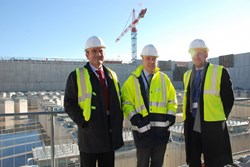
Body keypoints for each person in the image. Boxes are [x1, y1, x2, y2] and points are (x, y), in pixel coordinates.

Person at [64, 36, 124, 167]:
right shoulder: (76, 75)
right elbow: (69, 104)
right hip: (89, 136)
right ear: (87, 54)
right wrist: (83, 122)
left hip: (109, 135)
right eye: (94, 51)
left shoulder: (112, 75)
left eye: (101, 51)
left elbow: (118, 100)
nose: (98, 54)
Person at [121, 44, 178, 167]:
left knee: (158, 164)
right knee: (142, 164)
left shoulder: (164, 79)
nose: (151, 62)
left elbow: (172, 99)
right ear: (142, 58)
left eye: (154, 59)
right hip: (142, 132)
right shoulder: (132, 80)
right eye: (148, 58)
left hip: (161, 132)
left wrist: (171, 114)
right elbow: (125, 102)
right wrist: (134, 117)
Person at [182, 39, 235, 167]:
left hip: (212, 125)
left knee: (214, 161)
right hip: (192, 124)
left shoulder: (220, 72)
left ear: (206, 54)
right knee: (194, 160)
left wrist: (220, 118)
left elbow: (228, 99)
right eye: (193, 53)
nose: (196, 56)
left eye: (200, 52)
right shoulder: (187, 75)